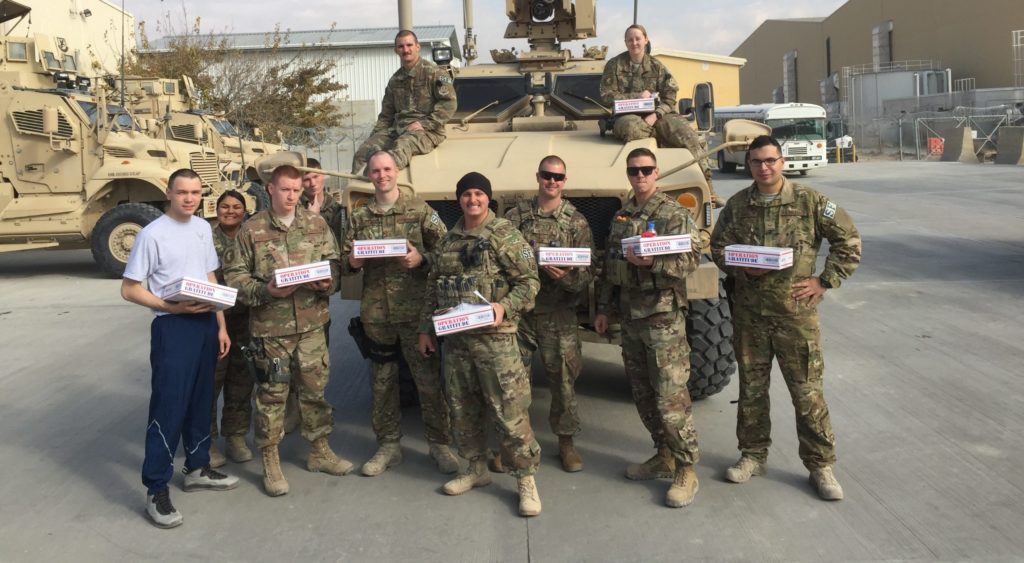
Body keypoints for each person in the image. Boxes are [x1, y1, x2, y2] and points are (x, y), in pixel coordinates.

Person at [710, 135, 861, 501]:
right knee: (751, 392)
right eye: (757, 162)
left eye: (771, 160)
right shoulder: (737, 205)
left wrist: (824, 281)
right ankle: (752, 455)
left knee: (807, 393)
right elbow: (717, 247)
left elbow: (849, 241)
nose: (764, 167)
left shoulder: (810, 202)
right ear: (748, 165)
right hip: (751, 317)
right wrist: (741, 266)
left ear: (782, 161)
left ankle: (820, 465)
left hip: (796, 316)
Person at [415, 172, 543, 517]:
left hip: (496, 342)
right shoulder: (448, 240)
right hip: (457, 342)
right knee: (462, 407)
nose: (473, 200)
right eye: (467, 194)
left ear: (488, 198)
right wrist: (426, 329)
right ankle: (474, 468)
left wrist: (504, 307)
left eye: (478, 194)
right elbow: (433, 288)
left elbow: (529, 282)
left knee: (510, 411)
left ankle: (525, 480)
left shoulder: (504, 235)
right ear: (459, 199)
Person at [223, 165, 352, 497]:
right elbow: (235, 278)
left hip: (311, 327)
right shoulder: (251, 231)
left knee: (314, 391)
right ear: (270, 190)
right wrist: (266, 291)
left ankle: (319, 450)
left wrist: (329, 282)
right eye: (285, 190)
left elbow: (334, 263)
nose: (292, 195)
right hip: (271, 333)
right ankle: (271, 458)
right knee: (272, 395)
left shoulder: (317, 224)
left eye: (296, 190)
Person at [121, 169, 239, 529]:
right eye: (182, 192)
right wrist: (170, 307)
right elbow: (129, 289)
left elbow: (209, 276)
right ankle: (156, 487)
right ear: (168, 193)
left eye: (195, 193)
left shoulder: (203, 228)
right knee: (169, 405)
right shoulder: (151, 235)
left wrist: (220, 325)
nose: (189, 199)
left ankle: (197, 467)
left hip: (204, 323)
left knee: (202, 399)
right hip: (172, 326)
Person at [593, 148, 702, 508]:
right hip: (630, 316)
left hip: (662, 317)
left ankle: (686, 468)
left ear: (656, 173)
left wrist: (654, 263)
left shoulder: (673, 214)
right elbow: (611, 267)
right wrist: (605, 308)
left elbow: (690, 260)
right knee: (642, 392)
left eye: (646, 170)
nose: (640, 176)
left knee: (670, 397)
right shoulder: (624, 215)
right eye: (634, 170)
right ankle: (663, 453)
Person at [340, 151, 459, 477]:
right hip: (377, 315)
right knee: (382, 384)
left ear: (397, 172)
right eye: (376, 171)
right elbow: (343, 262)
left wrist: (421, 259)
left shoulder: (420, 210)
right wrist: (353, 262)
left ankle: (440, 444)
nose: (382, 175)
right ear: (370, 176)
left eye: (387, 169)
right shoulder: (359, 218)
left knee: (428, 381)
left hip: (415, 312)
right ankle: (388, 446)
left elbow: (448, 251)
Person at [504, 155, 593, 473]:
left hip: (559, 314)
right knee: (514, 383)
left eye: (557, 177)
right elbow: (501, 259)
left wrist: (565, 277)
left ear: (564, 181)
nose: (551, 181)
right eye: (546, 175)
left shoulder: (576, 222)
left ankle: (566, 443)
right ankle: (516, 443)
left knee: (564, 382)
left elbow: (586, 274)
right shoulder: (516, 217)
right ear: (538, 177)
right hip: (523, 314)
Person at [599, 24, 713, 185]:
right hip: (627, 116)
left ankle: (707, 183)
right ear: (625, 42)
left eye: (638, 38)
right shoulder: (614, 65)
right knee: (629, 129)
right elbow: (606, 96)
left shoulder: (657, 67)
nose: (634, 43)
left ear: (646, 40)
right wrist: (637, 96)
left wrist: (656, 115)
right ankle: (663, 136)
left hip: (659, 114)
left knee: (689, 136)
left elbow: (670, 97)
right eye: (630, 40)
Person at [351, 30, 457, 175]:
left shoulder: (435, 73)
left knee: (399, 149)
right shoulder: (395, 80)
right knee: (363, 154)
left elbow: (449, 104)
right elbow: (386, 115)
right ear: (396, 50)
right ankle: (361, 194)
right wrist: (374, 138)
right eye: (401, 46)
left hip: (427, 131)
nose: (405, 50)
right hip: (398, 130)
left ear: (417, 47)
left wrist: (424, 124)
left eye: (409, 45)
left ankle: (385, 187)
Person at [208, 190, 255, 468]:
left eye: (237, 207)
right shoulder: (205, 239)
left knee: (241, 380)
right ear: (217, 210)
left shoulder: (250, 236)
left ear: (244, 210)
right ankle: (208, 440)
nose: (230, 211)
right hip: (215, 318)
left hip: (246, 318)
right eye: (225, 207)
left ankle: (236, 435)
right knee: (212, 381)